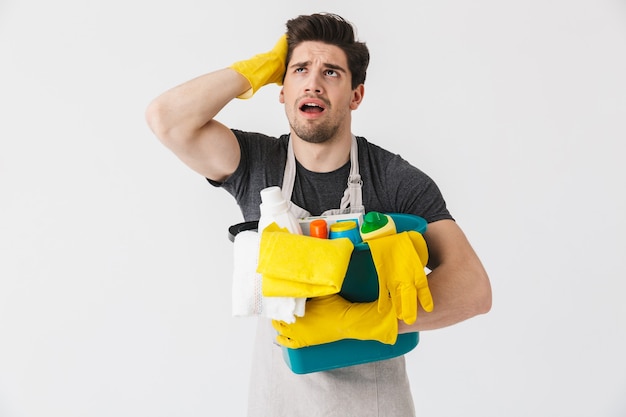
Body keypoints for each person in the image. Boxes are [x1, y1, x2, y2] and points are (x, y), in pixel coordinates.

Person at [146, 12, 491, 417]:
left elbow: (473, 289)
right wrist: (257, 69)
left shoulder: (396, 181)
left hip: (375, 405)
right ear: (282, 89)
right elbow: (166, 120)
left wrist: (363, 321)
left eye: (331, 72)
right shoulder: (255, 165)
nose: (313, 82)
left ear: (355, 96)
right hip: (278, 402)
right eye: (300, 71)